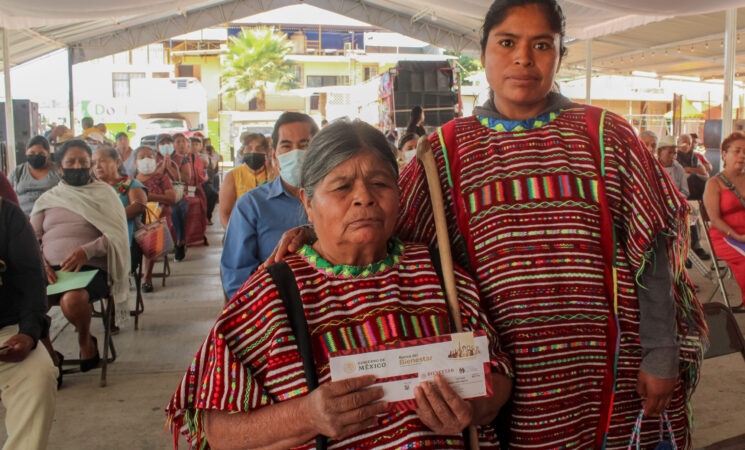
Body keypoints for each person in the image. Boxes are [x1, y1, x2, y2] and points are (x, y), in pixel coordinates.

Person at [270, 1, 708, 447]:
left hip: (613, 377)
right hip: (499, 385)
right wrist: (316, 235)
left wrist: (661, 354)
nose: (523, 57)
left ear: (560, 54)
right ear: (483, 55)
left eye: (542, 44)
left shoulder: (606, 136)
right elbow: (381, 228)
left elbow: (652, 248)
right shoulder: (443, 151)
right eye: (507, 43)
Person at [167, 121, 512, 449]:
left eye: (380, 183)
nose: (364, 198)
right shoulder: (273, 295)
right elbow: (209, 427)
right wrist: (305, 416)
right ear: (307, 202)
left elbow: (498, 373)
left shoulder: (440, 274)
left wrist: (471, 409)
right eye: (342, 186)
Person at [31, 140, 130, 372]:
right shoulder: (47, 199)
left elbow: (116, 235)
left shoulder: (105, 195)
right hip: (49, 271)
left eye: (83, 162)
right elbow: (32, 238)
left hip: (91, 269)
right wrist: (41, 264)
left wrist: (86, 251)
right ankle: (50, 356)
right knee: (31, 304)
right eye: (71, 162)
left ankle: (86, 341)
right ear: (59, 168)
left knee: (72, 300)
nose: (77, 166)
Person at [220, 113, 317, 299]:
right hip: (274, 314)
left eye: (305, 145)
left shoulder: (339, 200)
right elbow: (237, 280)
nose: (295, 153)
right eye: (287, 146)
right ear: (274, 155)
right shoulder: (251, 206)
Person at [0, 194, 57, 449]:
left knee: (37, 375)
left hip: (5, 330)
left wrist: (29, 333)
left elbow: (31, 282)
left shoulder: (7, 216)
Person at [703, 131, 745, 312]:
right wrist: (738, 236)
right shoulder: (714, 183)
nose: (742, 155)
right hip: (725, 237)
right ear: (723, 154)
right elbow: (715, 219)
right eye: (737, 151)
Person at [134, 146, 178, 292]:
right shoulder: (130, 182)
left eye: (150, 156)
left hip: (158, 219)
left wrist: (147, 196)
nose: (146, 159)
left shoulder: (162, 178)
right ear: (135, 163)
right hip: (135, 220)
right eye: (142, 157)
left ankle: (147, 276)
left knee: (150, 231)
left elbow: (172, 199)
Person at [218, 133, 276, 229]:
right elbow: (225, 213)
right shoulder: (232, 176)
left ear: (266, 152)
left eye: (258, 149)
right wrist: (236, 235)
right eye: (249, 149)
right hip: (238, 228)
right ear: (243, 152)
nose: (253, 152)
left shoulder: (274, 175)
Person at [92, 147, 147, 245]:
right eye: (93, 163)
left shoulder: (131, 183)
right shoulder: (92, 188)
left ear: (117, 163)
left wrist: (108, 219)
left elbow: (139, 206)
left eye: (102, 161)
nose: (97, 166)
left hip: (127, 238)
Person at [678, 134, 712, 260]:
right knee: (690, 214)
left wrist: (690, 170)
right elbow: (681, 171)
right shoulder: (674, 156)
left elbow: (705, 172)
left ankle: (695, 246)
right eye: (683, 142)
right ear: (678, 142)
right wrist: (693, 170)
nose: (686, 145)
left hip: (693, 191)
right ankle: (687, 249)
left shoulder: (695, 156)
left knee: (694, 215)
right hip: (679, 193)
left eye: (688, 142)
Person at [8, 135, 61, 216]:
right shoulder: (18, 172)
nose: (36, 156)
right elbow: (5, 193)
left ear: (48, 153)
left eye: (41, 153)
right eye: (32, 153)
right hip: (22, 218)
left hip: (50, 217)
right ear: (26, 152)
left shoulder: (58, 171)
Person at [192, 136, 218, 225]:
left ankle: (208, 217)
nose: (195, 147)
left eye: (197, 144)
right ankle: (204, 217)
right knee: (206, 195)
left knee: (214, 195)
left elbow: (208, 167)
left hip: (203, 181)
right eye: (193, 145)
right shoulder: (189, 157)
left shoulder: (202, 156)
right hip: (193, 183)